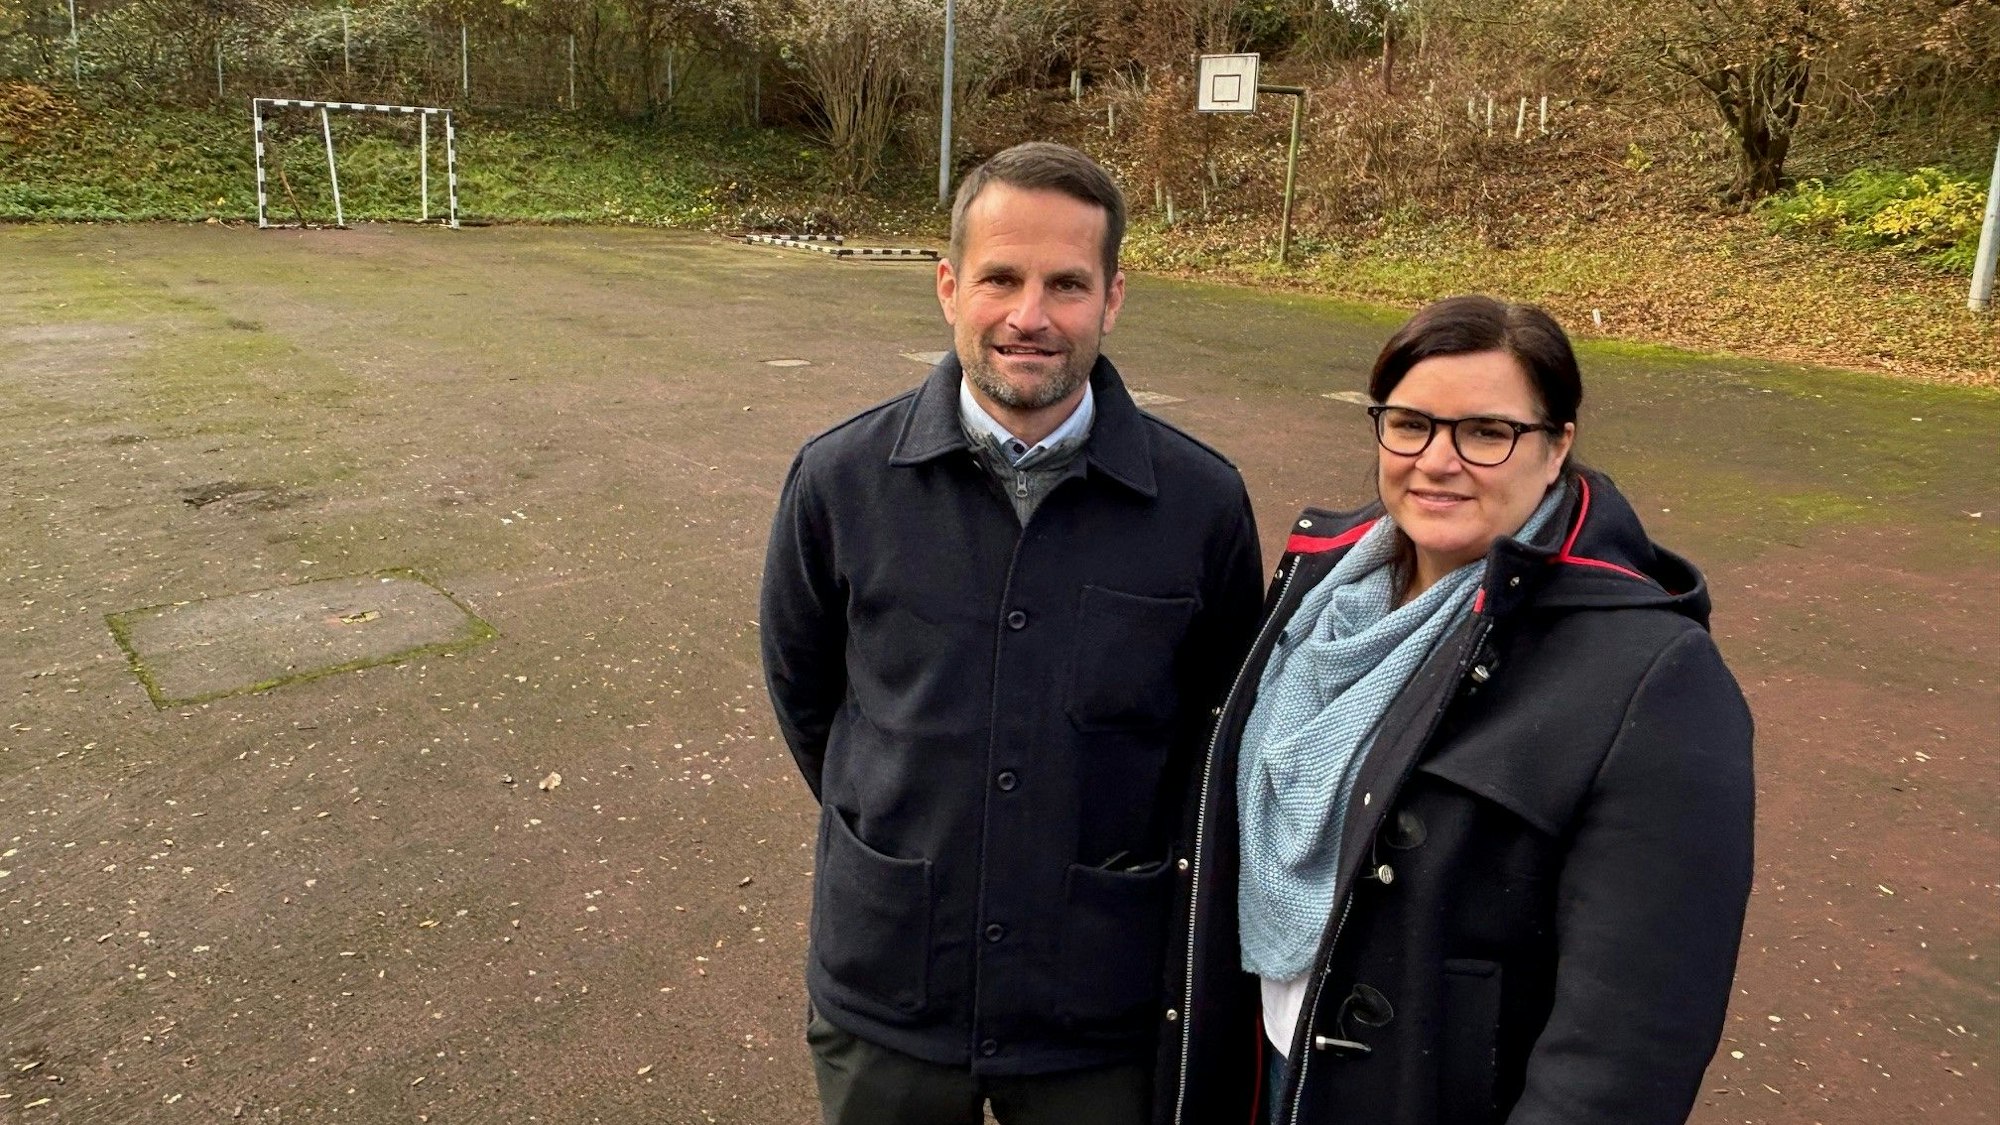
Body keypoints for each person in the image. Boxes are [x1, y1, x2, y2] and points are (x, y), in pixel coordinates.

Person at [759, 141, 1265, 1125]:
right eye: (1000, 277)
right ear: (947, 286)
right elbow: (808, 693)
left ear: (1112, 298)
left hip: (1099, 1007)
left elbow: (1212, 730)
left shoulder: (1200, 504)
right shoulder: (838, 482)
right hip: (889, 990)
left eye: (1066, 284)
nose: (1030, 317)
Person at [1161, 295, 1755, 1125]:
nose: (1438, 460)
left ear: (1557, 448)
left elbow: (1629, 1045)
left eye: (1486, 432)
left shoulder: (1655, 676)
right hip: (1268, 1068)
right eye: (1410, 424)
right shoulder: (1319, 597)